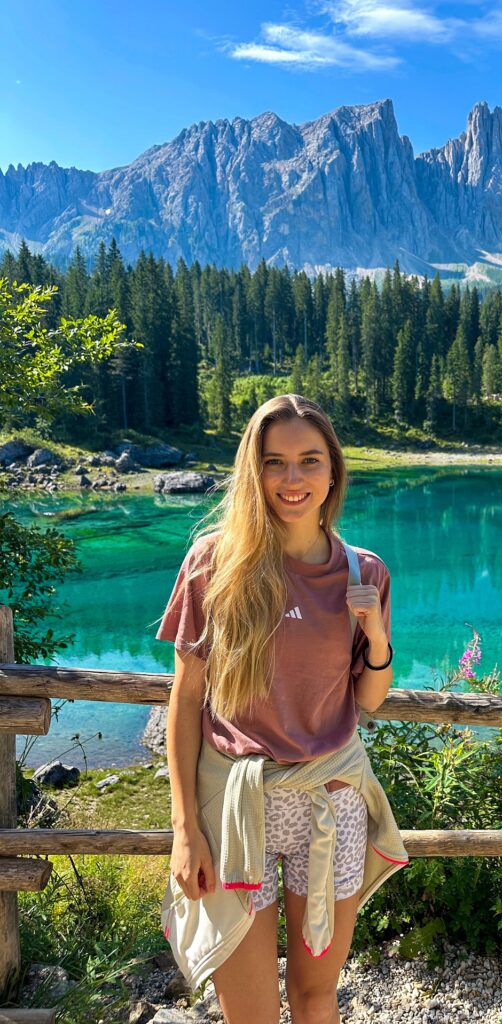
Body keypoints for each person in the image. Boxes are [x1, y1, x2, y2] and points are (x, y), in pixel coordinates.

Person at [155, 393, 409, 1024]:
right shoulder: (215, 563)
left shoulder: (364, 573)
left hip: (334, 800)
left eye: (309, 461)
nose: (292, 480)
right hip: (240, 807)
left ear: (333, 472)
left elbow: (368, 700)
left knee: (317, 996)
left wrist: (375, 637)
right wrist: (185, 831)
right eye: (275, 462)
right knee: (251, 1012)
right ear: (254, 470)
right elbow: (185, 702)